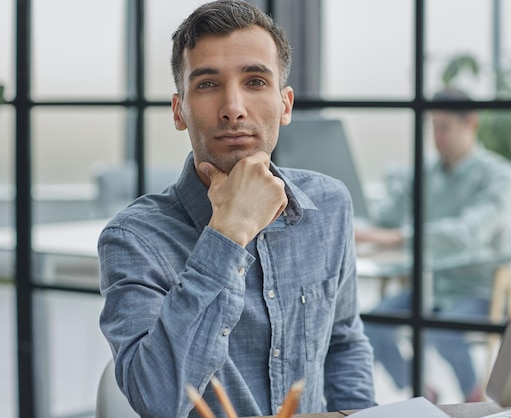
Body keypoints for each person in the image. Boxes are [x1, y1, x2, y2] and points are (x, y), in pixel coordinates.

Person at [98, 2, 376, 417]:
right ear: (179, 110)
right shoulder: (133, 240)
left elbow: (343, 341)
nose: (233, 107)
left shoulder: (330, 206)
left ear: (285, 105)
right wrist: (227, 234)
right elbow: (157, 401)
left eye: (255, 81)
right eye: (208, 85)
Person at [358, 88, 511, 402]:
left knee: (440, 329)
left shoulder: (501, 177)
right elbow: (383, 219)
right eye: (433, 127)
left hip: (481, 290)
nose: (437, 136)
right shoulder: (423, 174)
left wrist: (400, 236)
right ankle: (421, 392)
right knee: (371, 324)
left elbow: (467, 233)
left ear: (470, 124)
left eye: (445, 127)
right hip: (431, 287)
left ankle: (474, 398)